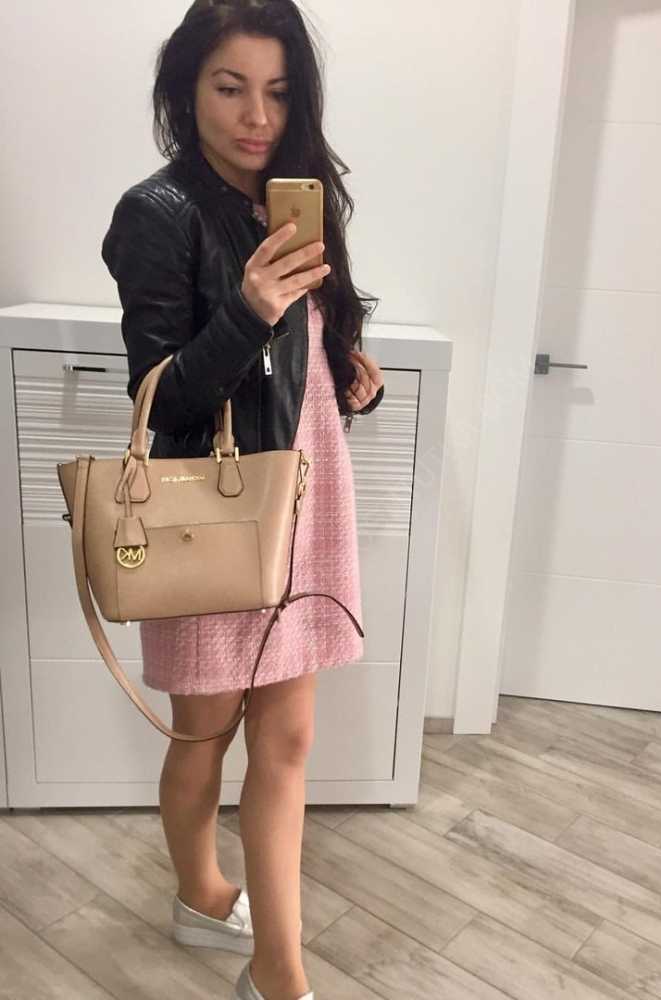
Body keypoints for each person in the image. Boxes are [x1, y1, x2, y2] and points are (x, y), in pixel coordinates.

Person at [100, 2, 384, 998]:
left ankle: (278, 966)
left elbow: (312, 335)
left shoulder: (295, 198)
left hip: (305, 480)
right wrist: (251, 307)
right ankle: (197, 893)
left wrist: (346, 363)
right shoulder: (158, 212)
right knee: (206, 730)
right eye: (230, 88)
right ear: (186, 89)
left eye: (278, 91)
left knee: (289, 736)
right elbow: (164, 396)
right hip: (215, 504)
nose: (257, 116)